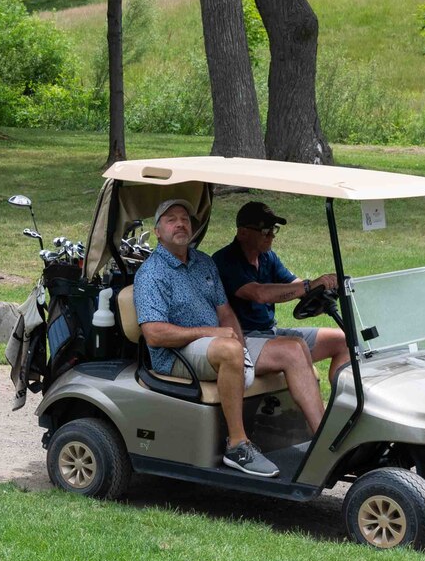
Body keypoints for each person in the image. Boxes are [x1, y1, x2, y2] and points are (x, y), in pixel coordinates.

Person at [134, 199, 326, 478]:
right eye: (171, 219)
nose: (180, 224)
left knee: (293, 349)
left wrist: (240, 343)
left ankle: (323, 441)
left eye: (185, 219)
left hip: (215, 345)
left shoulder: (203, 263)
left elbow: (224, 312)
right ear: (157, 231)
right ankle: (237, 444)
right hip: (175, 354)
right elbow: (154, 334)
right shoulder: (151, 274)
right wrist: (216, 336)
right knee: (228, 349)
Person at [211, 201, 350, 382]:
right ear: (243, 232)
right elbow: (259, 294)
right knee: (295, 347)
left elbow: (295, 284)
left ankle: (341, 405)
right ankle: (315, 411)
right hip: (243, 339)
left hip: (270, 332)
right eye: (264, 231)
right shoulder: (225, 260)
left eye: (273, 229)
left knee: (343, 340)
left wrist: (322, 289)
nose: (271, 236)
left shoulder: (267, 257)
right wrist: (308, 286)